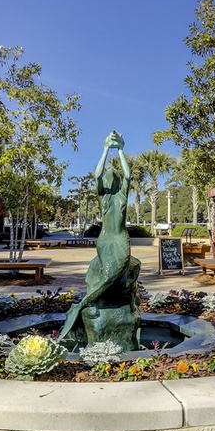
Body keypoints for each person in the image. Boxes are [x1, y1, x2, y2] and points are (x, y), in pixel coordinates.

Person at [59, 131, 141, 350]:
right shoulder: (103, 196)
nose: (111, 176)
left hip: (120, 238)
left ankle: (93, 302)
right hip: (105, 240)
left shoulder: (121, 195)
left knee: (119, 268)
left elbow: (128, 175)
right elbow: (96, 174)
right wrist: (105, 149)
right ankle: (87, 304)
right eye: (108, 176)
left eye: (115, 175)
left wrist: (121, 150)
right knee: (108, 273)